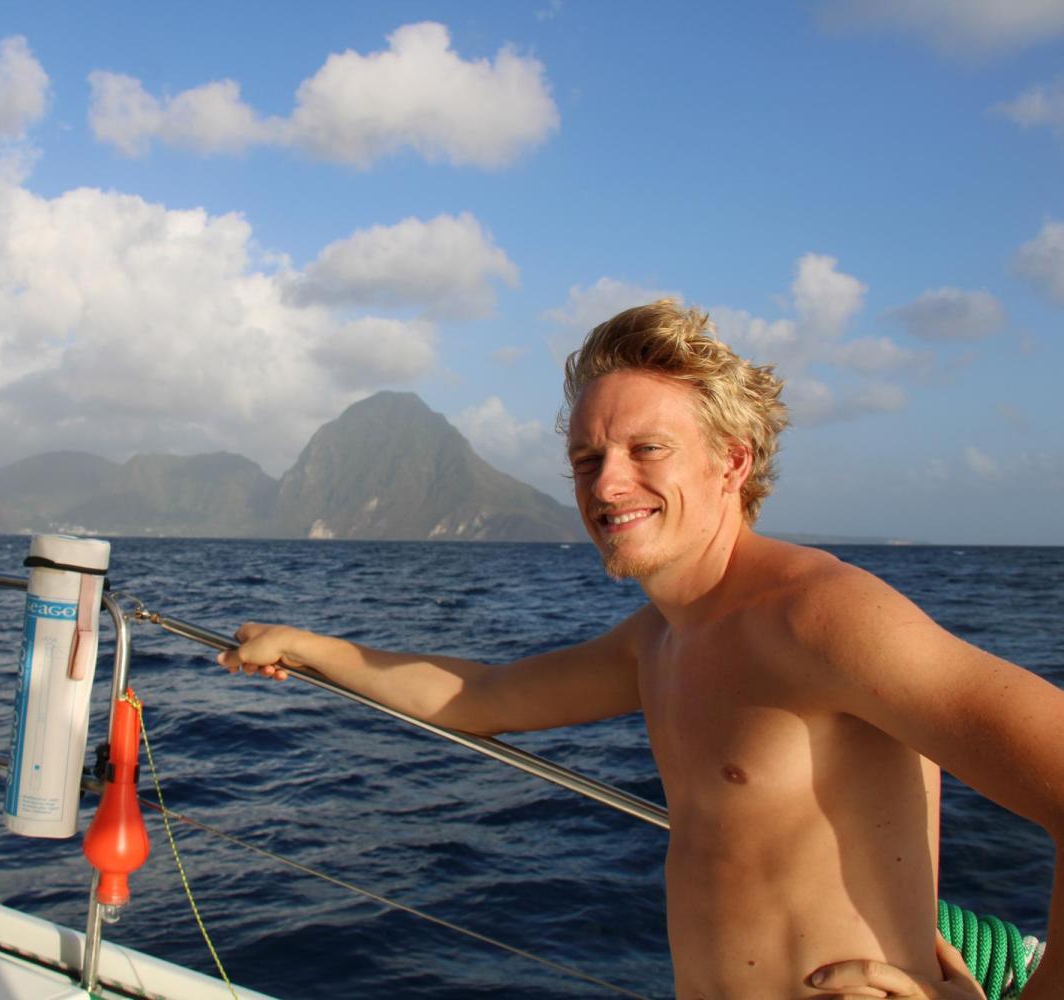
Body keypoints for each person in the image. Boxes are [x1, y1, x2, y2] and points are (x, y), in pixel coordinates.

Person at [218, 300, 1062, 999]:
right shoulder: (658, 641)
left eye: (645, 450)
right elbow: (481, 698)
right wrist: (309, 645)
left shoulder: (821, 619)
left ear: (733, 463)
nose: (607, 484)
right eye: (587, 459)